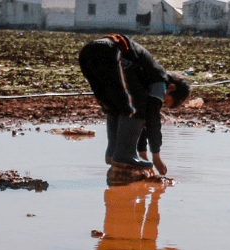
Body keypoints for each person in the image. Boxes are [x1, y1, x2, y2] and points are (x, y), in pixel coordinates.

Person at [78, 34, 190, 174]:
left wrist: (142, 155)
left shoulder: (143, 78)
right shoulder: (160, 80)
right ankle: (123, 154)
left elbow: (141, 123)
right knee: (134, 107)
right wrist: (156, 157)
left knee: (115, 107)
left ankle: (113, 153)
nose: (161, 103)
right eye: (165, 100)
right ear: (171, 87)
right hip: (110, 51)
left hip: (87, 54)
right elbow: (152, 118)